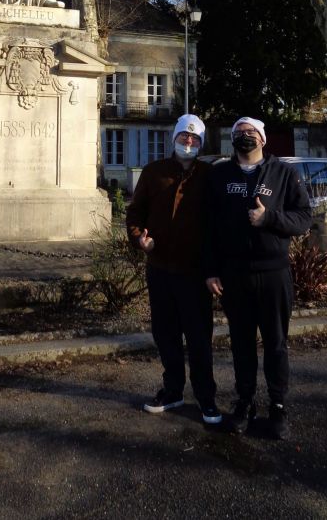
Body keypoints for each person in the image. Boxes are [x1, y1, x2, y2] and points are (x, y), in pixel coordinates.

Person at [204, 116, 311, 439]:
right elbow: (207, 227)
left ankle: (277, 407)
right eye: (239, 133)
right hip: (234, 275)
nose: (244, 137)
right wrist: (210, 270)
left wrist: (269, 218)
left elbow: (304, 218)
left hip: (274, 273)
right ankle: (244, 403)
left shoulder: (284, 174)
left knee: (276, 343)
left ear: (263, 139)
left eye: (251, 133)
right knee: (241, 344)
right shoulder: (219, 174)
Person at [126, 113, 221, 423]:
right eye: (184, 136)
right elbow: (135, 213)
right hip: (160, 268)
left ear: (201, 143)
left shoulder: (210, 175)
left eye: (194, 138)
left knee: (198, 337)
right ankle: (173, 390)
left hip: (194, 272)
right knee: (165, 334)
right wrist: (140, 238)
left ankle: (206, 398)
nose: (189, 141)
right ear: (175, 139)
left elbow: (220, 222)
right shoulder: (154, 173)